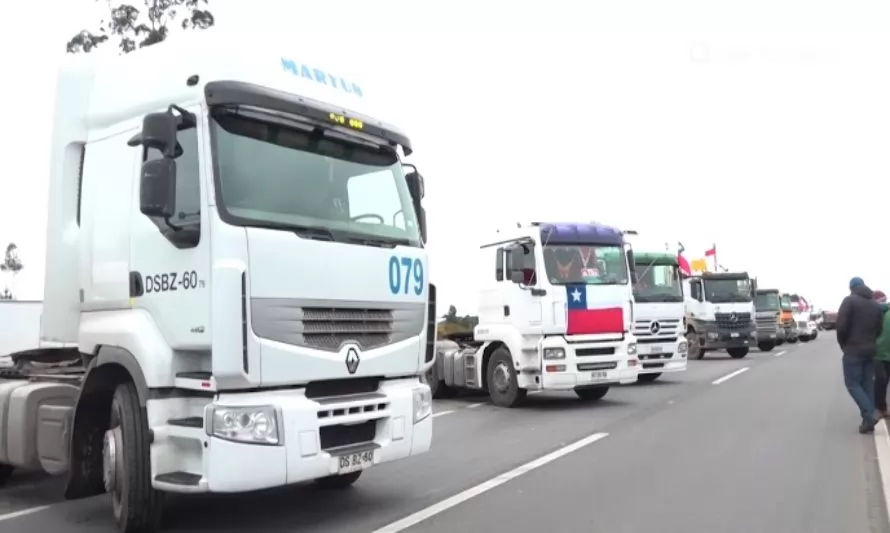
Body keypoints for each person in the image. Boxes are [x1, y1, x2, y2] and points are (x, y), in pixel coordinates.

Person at [836, 277, 885, 433]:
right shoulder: (874, 305)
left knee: (852, 383)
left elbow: (841, 326)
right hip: (870, 350)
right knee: (867, 384)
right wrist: (871, 342)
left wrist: (843, 344)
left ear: (851, 288)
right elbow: (879, 328)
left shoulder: (849, 301)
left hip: (853, 350)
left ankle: (870, 414)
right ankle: (867, 422)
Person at [873, 291, 890, 418]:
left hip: (880, 353)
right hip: (878, 353)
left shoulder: (875, 313)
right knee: (881, 381)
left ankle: (881, 408)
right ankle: (880, 408)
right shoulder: (877, 313)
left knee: (882, 381)